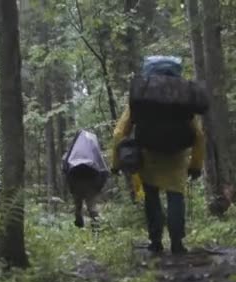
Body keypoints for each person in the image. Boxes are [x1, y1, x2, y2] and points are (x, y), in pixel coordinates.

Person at [112, 55, 205, 255]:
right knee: (175, 197)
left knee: (152, 197)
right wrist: (196, 165)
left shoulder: (141, 99)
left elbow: (119, 132)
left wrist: (116, 161)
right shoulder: (184, 99)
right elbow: (198, 135)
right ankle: (177, 243)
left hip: (149, 153)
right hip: (177, 156)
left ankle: (155, 242)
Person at [62, 130, 109, 228]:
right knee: (91, 204)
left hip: (76, 179)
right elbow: (101, 166)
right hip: (91, 179)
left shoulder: (73, 150)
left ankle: (79, 223)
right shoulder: (92, 147)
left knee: (78, 204)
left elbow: (65, 165)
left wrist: (69, 184)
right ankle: (96, 226)